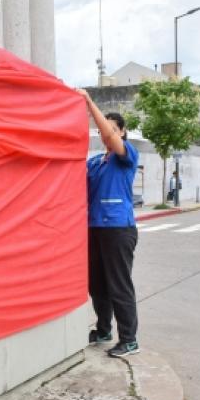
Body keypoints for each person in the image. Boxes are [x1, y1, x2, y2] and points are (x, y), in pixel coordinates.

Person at [77, 89, 141, 358]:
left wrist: (90, 102)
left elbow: (111, 139)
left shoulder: (126, 156)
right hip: (94, 229)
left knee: (119, 284)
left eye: (112, 129)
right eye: (104, 129)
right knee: (97, 285)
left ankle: (129, 339)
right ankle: (104, 330)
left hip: (118, 229)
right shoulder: (95, 163)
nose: (105, 133)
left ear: (122, 132)